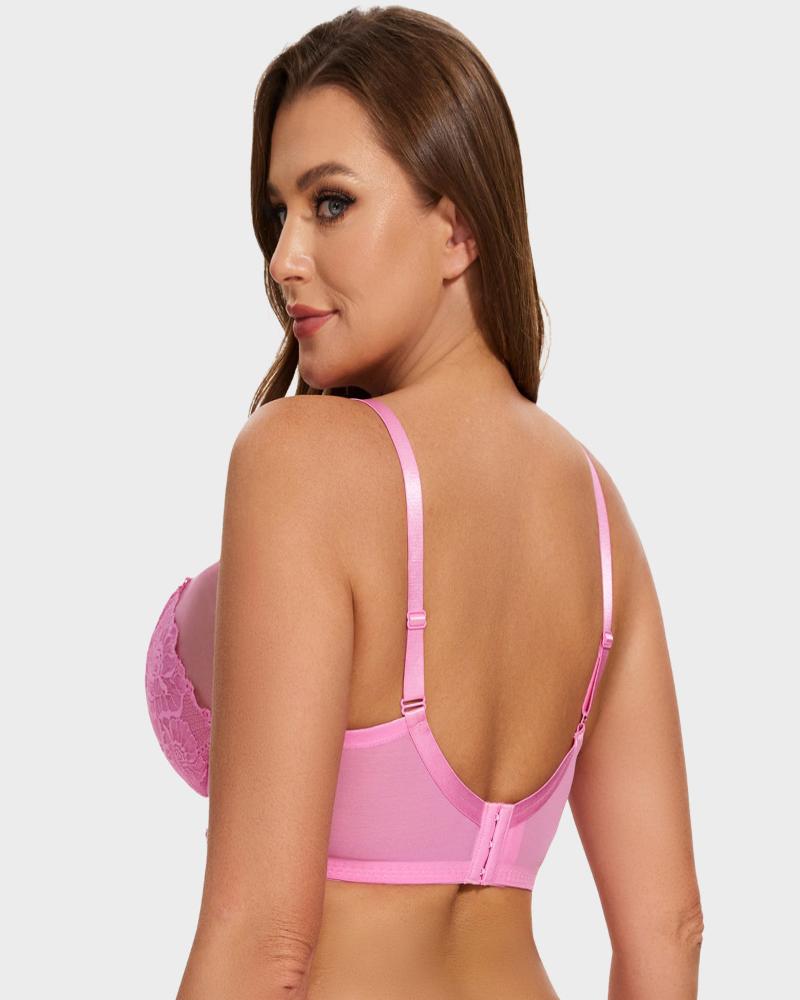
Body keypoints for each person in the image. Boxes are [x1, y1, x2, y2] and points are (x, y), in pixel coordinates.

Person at [144, 7, 703, 998]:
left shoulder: (300, 461)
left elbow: (263, 942)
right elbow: (669, 932)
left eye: (330, 203)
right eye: (278, 212)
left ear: (456, 229)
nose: (282, 259)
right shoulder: (597, 511)